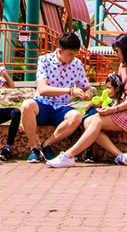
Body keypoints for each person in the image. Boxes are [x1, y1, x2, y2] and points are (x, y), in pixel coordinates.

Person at [47, 33, 127, 168]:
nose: (116, 55)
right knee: (87, 121)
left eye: (117, 51)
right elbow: (118, 93)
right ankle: (120, 155)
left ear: (126, 49)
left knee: (97, 120)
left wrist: (113, 109)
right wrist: (101, 104)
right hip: (123, 106)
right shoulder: (122, 66)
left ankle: (68, 155)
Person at [20, 31, 92, 162]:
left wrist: (89, 93)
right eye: (70, 54)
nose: (73, 57)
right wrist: (69, 91)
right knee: (26, 105)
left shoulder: (77, 64)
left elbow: (87, 86)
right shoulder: (44, 61)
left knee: (76, 117)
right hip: (43, 104)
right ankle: (33, 148)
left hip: (62, 107)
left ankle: (46, 145)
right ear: (60, 51)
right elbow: (42, 89)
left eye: (75, 54)